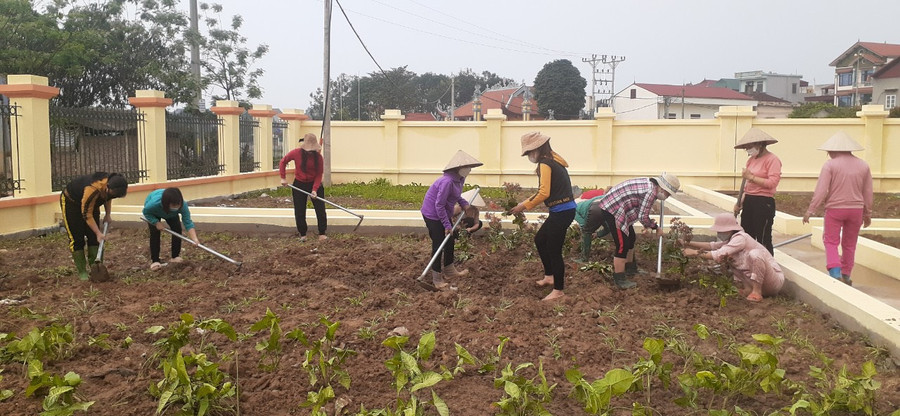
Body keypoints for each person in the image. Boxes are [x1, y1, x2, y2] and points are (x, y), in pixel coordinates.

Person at [509, 132, 576, 301]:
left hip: (562, 211)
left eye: (529, 153)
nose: (529, 156)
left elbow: (543, 192)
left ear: (537, 149)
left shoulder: (545, 164)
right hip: (561, 210)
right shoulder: (554, 160)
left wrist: (522, 206)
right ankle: (549, 276)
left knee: (554, 249)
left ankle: (558, 290)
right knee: (540, 240)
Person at [802, 131, 873, 286]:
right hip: (856, 210)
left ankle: (835, 273)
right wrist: (868, 213)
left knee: (831, 241)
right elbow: (867, 191)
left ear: (833, 150)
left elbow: (821, 190)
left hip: (835, 209)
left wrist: (811, 210)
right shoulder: (864, 165)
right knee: (850, 243)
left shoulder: (830, 165)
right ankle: (846, 275)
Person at [595, 173, 681, 289]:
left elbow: (641, 211)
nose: (667, 197)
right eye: (668, 194)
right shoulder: (651, 192)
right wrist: (655, 227)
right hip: (613, 209)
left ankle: (631, 268)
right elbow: (643, 216)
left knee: (631, 238)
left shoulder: (651, 187)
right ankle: (619, 278)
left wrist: (648, 226)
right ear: (662, 188)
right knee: (622, 245)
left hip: (621, 208)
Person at [682, 213, 785, 302]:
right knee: (731, 258)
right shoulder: (730, 241)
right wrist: (687, 243)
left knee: (755, 254)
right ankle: (748, 289)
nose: (719, 233)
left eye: (721, 231)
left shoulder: (740, 238)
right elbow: (711, 246)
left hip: (773, 282)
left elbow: (718, 254)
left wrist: (694, 253)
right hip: (759, 282)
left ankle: (756, 292)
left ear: (729, 230)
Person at [419, 150, 483, 291]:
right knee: (439, 243)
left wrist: (464, 204)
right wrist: (447, 225)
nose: (469, 170)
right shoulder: (447, 181)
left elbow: (455, 196)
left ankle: (449, 270)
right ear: (458, 168)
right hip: (432, 214)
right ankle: (436, 279)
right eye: (467, 167)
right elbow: (439, 205)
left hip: (442, 212)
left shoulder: (459, 180)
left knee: (450, 240)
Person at [60, 172, 129, 280]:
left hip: (91, 203)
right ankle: (82, 272)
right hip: (72, 203)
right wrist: (98, 233)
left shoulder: (111, 184)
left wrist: (107, 214)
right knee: (77, 238)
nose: (112, 195)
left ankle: (96, 269)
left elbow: (108, 197)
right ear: (107, 187)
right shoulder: (92, 189)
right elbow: (86, 214)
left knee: (94, 239)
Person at [733, 128, 782, 254]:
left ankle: (767, 265)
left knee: (763, 236)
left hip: (763, 202)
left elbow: (772, 183)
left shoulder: (772, 160)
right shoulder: (751, 160)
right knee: (746, 235)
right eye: (746, 147)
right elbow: (747, 186)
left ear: (760, 144)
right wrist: (740, 202)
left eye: (750, 146)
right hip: (749, 200)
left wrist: (752, 177)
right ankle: (747, 264)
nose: (748, 150)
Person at [280, 133, 327, 241]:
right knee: (300, 209)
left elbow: (319, 174)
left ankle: (322, 233)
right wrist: (283, 178)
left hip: (314, 183)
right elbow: (283, 162)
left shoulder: (319, 158)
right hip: (299, 183)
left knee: (320, 209)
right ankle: (303, 234)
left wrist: (315, 190)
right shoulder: (296, 153)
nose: (310, 152)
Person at [142, 187, 199, 271]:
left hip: (171, 215)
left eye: (177, 205)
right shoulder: (153, 204)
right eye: (173, 205)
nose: (176, 207)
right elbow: (146, 212)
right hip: (154, 214)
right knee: (155, 233)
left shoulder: (182, 205)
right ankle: (155, 260)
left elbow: (187, 222)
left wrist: (194, 238)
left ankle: (175, 256)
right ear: (166, 203)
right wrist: (156, 222)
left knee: (177, 230)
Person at [574, 192, 611, 262]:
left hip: (595, 208)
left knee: (586, 231)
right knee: (609, 227)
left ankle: (584, 258)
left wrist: (586, 236)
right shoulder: (584, 203)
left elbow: (583, 224)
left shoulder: (573, 210)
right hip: (608, 204)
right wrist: (597, 234)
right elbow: (607, 227)